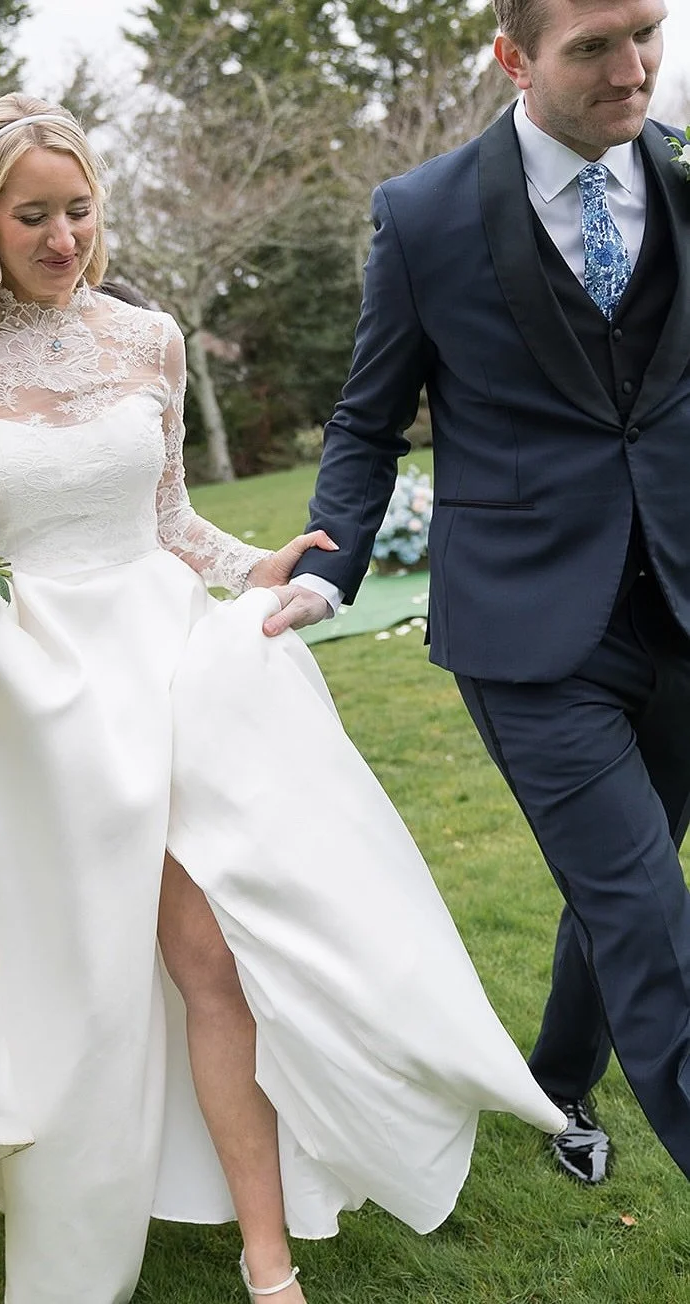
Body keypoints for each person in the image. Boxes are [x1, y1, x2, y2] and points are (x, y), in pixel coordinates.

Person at [0, 93, 565, 1304]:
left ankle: (266, 1258)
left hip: (163, 666)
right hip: (29, 700)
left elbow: (167, 519)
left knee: (210, 958)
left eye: (78, 209)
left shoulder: (150, 341)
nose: (63, 236)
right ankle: (66, 1215)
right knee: (69, 979)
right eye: (34, 214)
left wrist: (256, 566)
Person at [283, 0, 690, 1189]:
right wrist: (324, 562)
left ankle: (558, 1079)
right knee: (645, 918)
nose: (632, 71)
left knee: (619, 885)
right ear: (512, 58)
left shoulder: (678, 173)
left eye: (647, 34)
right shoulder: (422, 216)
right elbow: (368, 418)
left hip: (678, 598)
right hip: (527, 631)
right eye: (591, 48)